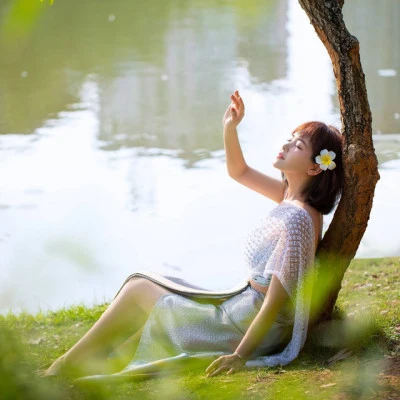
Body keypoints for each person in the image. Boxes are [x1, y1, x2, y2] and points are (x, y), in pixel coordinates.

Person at [42, 90, 344, 380]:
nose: (287, 145)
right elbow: (239, 172)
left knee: (138, 289)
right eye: (290, 139)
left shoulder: (299, 219)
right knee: (150, 283)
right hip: (239, 309)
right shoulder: (291, 199)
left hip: (239, 326)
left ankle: (65, 365)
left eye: (298, 146)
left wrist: (240, 356)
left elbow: (276, 301)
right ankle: (89, 361)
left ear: (316, 169)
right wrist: (230, 127)